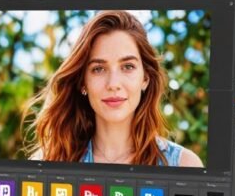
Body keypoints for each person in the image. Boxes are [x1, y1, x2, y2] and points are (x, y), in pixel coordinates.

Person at [24, 10, 204, 167]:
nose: (113, 84)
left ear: (145, 78)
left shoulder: (183, 164)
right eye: (98, 69)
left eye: (128, 66)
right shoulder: (47, 161)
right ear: (83, 82)